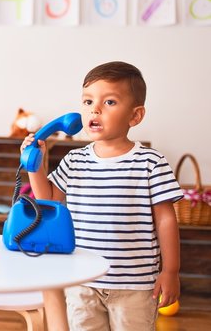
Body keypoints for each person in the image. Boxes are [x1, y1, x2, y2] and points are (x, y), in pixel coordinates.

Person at [20, 61, 183, 330]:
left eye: (109, 102)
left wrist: (170, 271)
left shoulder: (150, 163)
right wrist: (35, 163)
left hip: (136, 286)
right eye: (87, 101)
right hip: (83, 281)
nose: (94, 109)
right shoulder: (74, 161)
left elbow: (166, 221)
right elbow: (48, 201)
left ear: (135, 116)